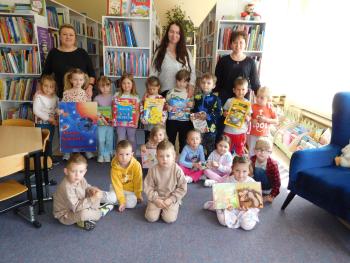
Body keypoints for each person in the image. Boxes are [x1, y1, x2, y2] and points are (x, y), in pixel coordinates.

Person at [53, 154, 113, 231]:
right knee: (83, 214)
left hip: (79, 201)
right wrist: (92, 199)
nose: (77, 175)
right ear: (66, 171)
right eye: (73, 171)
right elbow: (76, 207)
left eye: (81, 171)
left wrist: (92, 189)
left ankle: (89, 214)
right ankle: (99, 213)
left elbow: (86, 186)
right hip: (66, 214)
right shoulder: (66, 187)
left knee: (95, 192)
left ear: (85, 172)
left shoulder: (80, 178)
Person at [204, 156, 260, 231]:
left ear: (249, 171)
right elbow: (223, 196)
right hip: (231, 209)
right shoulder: (228, 180)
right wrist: (227, 205)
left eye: (244, 171)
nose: (240, 175)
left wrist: (247, 208)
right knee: (222, 221)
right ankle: (216, 207)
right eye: (237, 170)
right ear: (232, 169)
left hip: (245, 210)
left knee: (247, 226)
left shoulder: (252, 182)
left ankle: (217, 207)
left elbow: (255, 203)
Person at [42, 24, 95, 99]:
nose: (68, 37)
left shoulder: (82, 53)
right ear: (60, 36)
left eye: (71, 35)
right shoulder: (53, 53)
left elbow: (92, 74)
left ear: (75, 37)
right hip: (59, 96)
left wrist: (90, 87)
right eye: (64, 34)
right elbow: (45, 75)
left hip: (82, 96)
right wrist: (40, 91)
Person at [144, 140, 187, 223]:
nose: (164, 159)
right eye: (161, 156)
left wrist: (171, 199)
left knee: (169, 219)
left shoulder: (177, 170)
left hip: (170, 197)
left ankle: (175, 204)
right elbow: (148, 186)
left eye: (168, 156)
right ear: (156, 157)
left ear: (174, 156)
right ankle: (157, 207)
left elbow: (182, 188)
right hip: (156, 197)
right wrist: (155, 199)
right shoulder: (153, 169)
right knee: (151, 218)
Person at [214, 30, 260, 105]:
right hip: (225, 99)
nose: (238, 45)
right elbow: (217, 82)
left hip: (242, 101)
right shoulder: (223, 60)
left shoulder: (250, 62)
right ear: (231, 44)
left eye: (241, 42)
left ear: (245, 44)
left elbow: (255, 84)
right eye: (235, 42)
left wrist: (264, 99)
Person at [150, 21, 196, 96]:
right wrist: (151, 90)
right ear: (167, 33)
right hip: (164, 93)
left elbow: (192, 71)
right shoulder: (160, 51)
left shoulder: (186, 52)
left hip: (182, 94)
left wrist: (191, 86)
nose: (174, 35)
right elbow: (153, 73)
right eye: (171, 31)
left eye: (177, 33)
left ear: (180, 35)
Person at [61, 68, 94, 160]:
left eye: (80, 79)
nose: (78, 82)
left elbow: (89, 107)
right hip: (70, 118)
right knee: (69, 134)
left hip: (82, 118)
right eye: (75, 79)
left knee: (84, 133)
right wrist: (62, 112)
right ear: (71, 80)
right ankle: (67, 152)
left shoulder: (85, 94)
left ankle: (87, 150)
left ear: (84, 80)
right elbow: (63, 106)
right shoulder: (66, 93)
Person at [102, 140, 143, 212]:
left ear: (132, 154)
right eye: (121, 154)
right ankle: (99, 196)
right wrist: (122, 200)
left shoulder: (137, 165)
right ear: (116, 154)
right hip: (116, 189)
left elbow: (138, 181)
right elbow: (117, 186)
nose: (124, 157)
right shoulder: (115, 167)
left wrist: (138, 195)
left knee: (132, 204)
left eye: (127, 154)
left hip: (130, 191)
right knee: (112, 198)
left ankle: (113, 202)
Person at [191, 73, 222, 156]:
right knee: (197, 146)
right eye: (203, 82)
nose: (205, 85)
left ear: (213, 85)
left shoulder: (216, 99)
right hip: (198, 128)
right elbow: (193, 110)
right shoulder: (197, 97)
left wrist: (207, 116)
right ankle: (199, 164)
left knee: (210, 148)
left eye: (208, 83)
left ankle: (209, 165)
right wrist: (192, 116)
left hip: (210, 129)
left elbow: (219, 113)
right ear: (200, 84)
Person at [165, 69, 194, 153]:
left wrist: (191, 105)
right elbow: (165, 104)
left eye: (184, 82)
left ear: (187, 82)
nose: (181, 84)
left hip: (185, 121)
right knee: (171, 141)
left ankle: (182, 160)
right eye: (179, 81)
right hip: (172, 121)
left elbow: (193, 106)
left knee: (184, 142)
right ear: (176, 80)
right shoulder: (170, 92)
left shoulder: (189, 93)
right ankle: (171, 158)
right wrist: (168, 107)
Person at [223, 77, 251, 156]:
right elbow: (224, 112)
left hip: (241, 132)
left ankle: (238, 164)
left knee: (239, 150)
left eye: (243, 89)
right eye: (238, 89)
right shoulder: (229, 101)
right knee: (226, 150)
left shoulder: (247, 103)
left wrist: (247, 118)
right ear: (234, 90)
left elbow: (249, 117)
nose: (240, 92)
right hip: (228, 131)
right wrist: (225, 114)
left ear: (247, 90)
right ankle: (227, 164)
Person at [247, 86, 278, 157]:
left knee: (263, 152)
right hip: (253, 134)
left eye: (262, 98)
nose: (258, 99)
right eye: (257, 96)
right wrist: (252, 120)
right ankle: (251, 165)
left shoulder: (270, 108)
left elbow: (276, 121)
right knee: (252, 151)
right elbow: (248, 116)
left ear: (268, 99)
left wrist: (266, 120)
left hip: (264, 135)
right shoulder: (252, 106)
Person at [33, 74, 59, 157]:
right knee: (40, 141)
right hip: (41, 124)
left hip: (51, 124)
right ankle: (38, 159)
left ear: (54, 88)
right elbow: (36, 111)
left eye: (51, 87)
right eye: (46, 86)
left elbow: (55, 109)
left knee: (49, 141)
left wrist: (57, 115)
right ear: (41, 86)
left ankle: (48, 159)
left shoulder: (55, 97)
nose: (48, 89)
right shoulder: (39, 97)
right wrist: (50, 119)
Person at [114, 73, 140, 152]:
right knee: (120, 139)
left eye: (128, 83)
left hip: (131, 122)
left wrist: (136, 122)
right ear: (121, 84)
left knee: (131, 139)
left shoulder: (135, 96)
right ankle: (120, 155)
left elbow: (137, 111)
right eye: (124, 83)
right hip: (120, 122)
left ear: (132, 84)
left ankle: (133, 156)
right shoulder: (117, 95)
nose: (126, 85)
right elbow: (114, 109)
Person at [251, 138, 280, 203]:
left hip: (266, 187)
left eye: (266, 150)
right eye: (259, 149)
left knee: (259, 170)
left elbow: (277, 183)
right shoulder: (252, 159)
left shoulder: (273, 164)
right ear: (254, 150)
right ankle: (256, 191)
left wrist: (272, 195)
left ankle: (264, 194)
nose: (262, 152)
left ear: (270, 153)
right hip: (255, 183)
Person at [140, 76, 167, 142]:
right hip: (148, 126)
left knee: (158, 143)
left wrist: (162, 120)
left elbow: (165, 111)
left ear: (158, 87)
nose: (152, 91)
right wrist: (143, 119)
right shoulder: (146, 98)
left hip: (158, 126)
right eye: (149, 89)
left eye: (154, 89)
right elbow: (142, 109)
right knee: (148, 142)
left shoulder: (161, 99)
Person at [94, 76, 114, 163]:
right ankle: (101, 154)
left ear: (110, 86)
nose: (105, 88)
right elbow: (94, 110)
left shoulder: (114, 97)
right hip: (100, 124)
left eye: (107, 85)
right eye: (102, 86)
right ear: (99, 87)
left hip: (110, 123)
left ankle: (107, 154)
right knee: (101, 139)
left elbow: (116, 110)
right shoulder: (97, 98)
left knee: (109, 139)